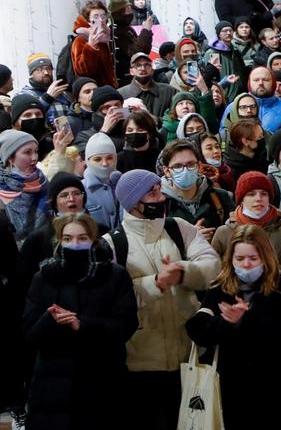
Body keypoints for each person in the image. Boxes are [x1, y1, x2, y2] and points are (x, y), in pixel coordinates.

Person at [105, 168, 221, 430]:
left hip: (188, 354)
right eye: (153, 193)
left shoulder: (179, 228)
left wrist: (182, 272)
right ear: (135, 203)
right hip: (139, 360)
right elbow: (110, 300)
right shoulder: (113, 244)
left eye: (159, 190)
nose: (160, 198)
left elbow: (211, 264)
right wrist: (155, 283)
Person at [185, 224, 281, 430]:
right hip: (234, 389)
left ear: (265, 256)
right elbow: (198, 331)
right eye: (240, 259)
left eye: (253, 259)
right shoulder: (220, 287)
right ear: (230, 258)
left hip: (278, 386)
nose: (246, 265)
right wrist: (226, 322)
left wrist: (246, 320)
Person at [22, 213, 138, 430]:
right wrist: (49, 319)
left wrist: (83, 325)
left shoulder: (114, 275)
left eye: (82, 238)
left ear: (93, 240)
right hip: (51, 388)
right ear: (59, 240)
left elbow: (126, 325)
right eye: (68, 239)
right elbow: (29, 333)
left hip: (102, 382)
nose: (74, 244)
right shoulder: (44, 276)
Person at [211, 171, 281, 260]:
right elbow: (214, 268)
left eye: (264, 194)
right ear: (242, 200)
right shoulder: (224, 232)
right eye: (251, 194)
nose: (258, 199)